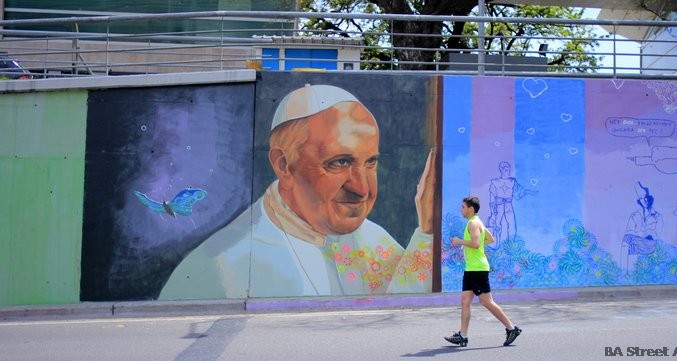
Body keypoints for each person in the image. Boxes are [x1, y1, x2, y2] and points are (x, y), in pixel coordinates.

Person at [158, 84, 435, 299]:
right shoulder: (218, 267)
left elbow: (401, 309)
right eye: (339, 162)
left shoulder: (371, 238)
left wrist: (426, 233)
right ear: (284, 165)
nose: (361, 189)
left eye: (370, 161)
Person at [445, 196, 522, 347]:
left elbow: (475, 243)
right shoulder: (476, 221)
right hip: (471, 269)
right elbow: (490, 239)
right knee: (465, 301)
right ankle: (463, 335)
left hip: (477, 269)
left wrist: (460, 241)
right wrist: (472, 244)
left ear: (471, 209)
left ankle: (512, 328)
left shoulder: (473, 223)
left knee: (486, 301)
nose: (461, 209)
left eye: (463, 207)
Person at [487, 161, 537, 247]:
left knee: (512, 225)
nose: (507, 171)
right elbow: (492, 197)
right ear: (501, 170)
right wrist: (492, 210)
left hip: (508, 206)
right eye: (505, 169)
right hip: (498, 206)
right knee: (497, 225)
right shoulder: (495, 182)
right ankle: (496, 244)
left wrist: (528, 192)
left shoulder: (512, 181)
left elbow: (519, 192)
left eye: (508, 169)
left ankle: (510, 245)